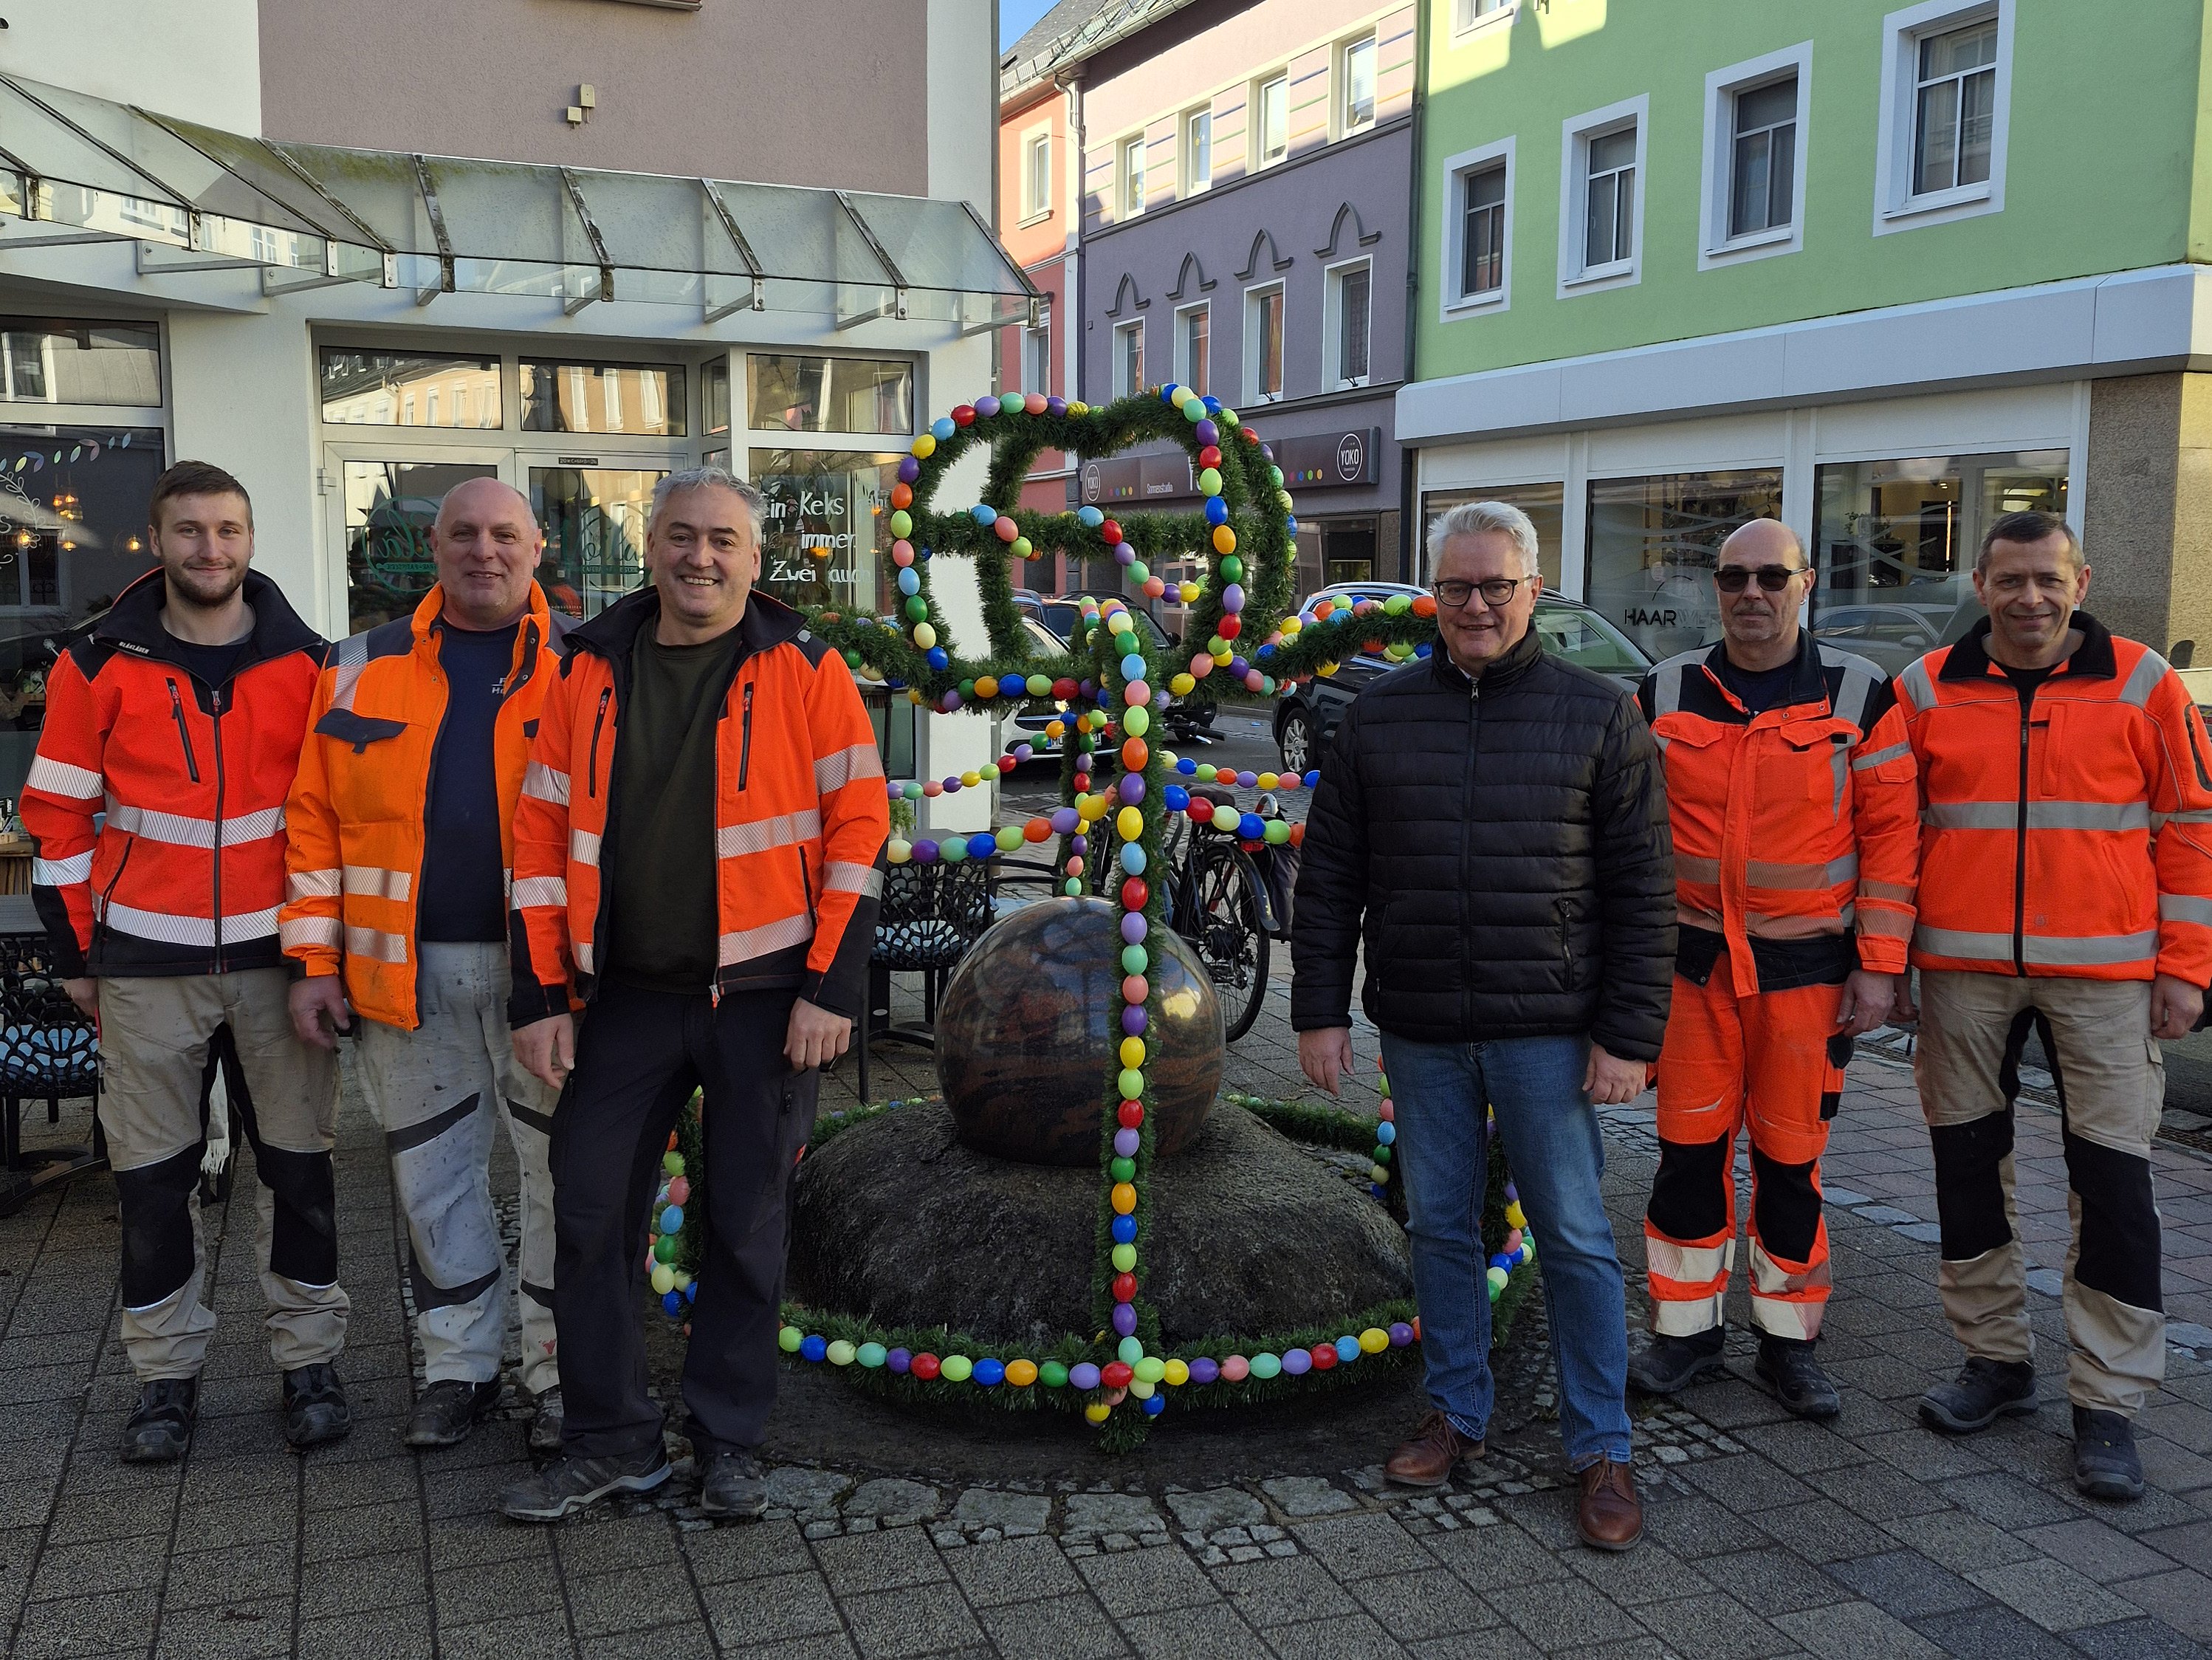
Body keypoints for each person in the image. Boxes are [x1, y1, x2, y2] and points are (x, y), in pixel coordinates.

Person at [496, 466, 888, 1523]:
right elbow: (536, 838)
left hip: (766, 1003)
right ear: (651, 548)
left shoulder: (806, 666)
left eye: (721, 539)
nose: (699, 556)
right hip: (622, 997)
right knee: (587, 1213)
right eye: (679, 536)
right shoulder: (587, 666)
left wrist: (830, 988)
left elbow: (859, 830)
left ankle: (730, 1442)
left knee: (748, 1228)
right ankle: (613, 1441)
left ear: (754, 561)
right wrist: (538, 996)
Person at [1292, 499, 1675, 1551]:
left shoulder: (1600, 715)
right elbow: (1328, 883)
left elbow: (1646, 892)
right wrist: (1318, 1011)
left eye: (1493, 587)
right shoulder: (1378, 718)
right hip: (1419, 1027)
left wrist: (1631, 1036)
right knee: (1441, 1227)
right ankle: (1458, 1412)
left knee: (1577, 1240)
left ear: (1531, 592)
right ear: (1433, 597)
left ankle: (1601, 1446)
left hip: (1548, 1031)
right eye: (1454, 587)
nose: (1473, 605)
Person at [21, 460, 347, 1461]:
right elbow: (59, 819)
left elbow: (334, 822)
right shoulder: (96, 664)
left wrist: (323, 957)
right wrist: (79, 953)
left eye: (229, 531)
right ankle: (164, 1380)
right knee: (154, 1185)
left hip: (278, 965)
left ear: (252, 542)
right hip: (141, 967)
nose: (212, 549)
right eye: (191, 531)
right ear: (156, 544)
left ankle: (310, 1363)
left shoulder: (314, 664)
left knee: (299, 1177)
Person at [1893, 508, 2212, 1501]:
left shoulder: (2146, 684)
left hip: (2110, 978)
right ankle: (1995, 1360)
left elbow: (2193, 827)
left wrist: (2187, 967)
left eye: (2048, 578)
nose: (2029, 598)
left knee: (2114, 1185)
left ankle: (2107, 1403)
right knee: (1964, 1167)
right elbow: (1892, 833)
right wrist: (1889, 953)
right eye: (2010, 579)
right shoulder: (1925, 689)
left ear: (2082, 579)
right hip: (1960, 971)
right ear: (1980, 584)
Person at [281, 479, 569, 1453]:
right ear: (432, 549)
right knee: (434, 1179)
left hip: (550, 981)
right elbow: (314, 822)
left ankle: (560, 1370)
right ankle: (458, 1366)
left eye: (504, 535)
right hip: (399, 974)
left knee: (560, 1176)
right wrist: (313, 960)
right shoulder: (356, 665)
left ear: (538, 548)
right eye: (463, 535)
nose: (483, 552)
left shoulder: (586, 667)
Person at [1626, 521, 1920, 1420]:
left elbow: (1892, 840)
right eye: (1733, 577)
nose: (1750, 592)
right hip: (1692, 974)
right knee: (1686, 1157)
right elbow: (1626, 836)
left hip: (1807, 981)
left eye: (1769, 576)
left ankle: (1789, 1344)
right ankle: (1685, 1336)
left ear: (1802, 586)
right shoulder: (1665, 690)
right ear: (1715, 588)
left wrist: (1877, 969)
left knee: (1791, 1164)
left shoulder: (1860, 694)